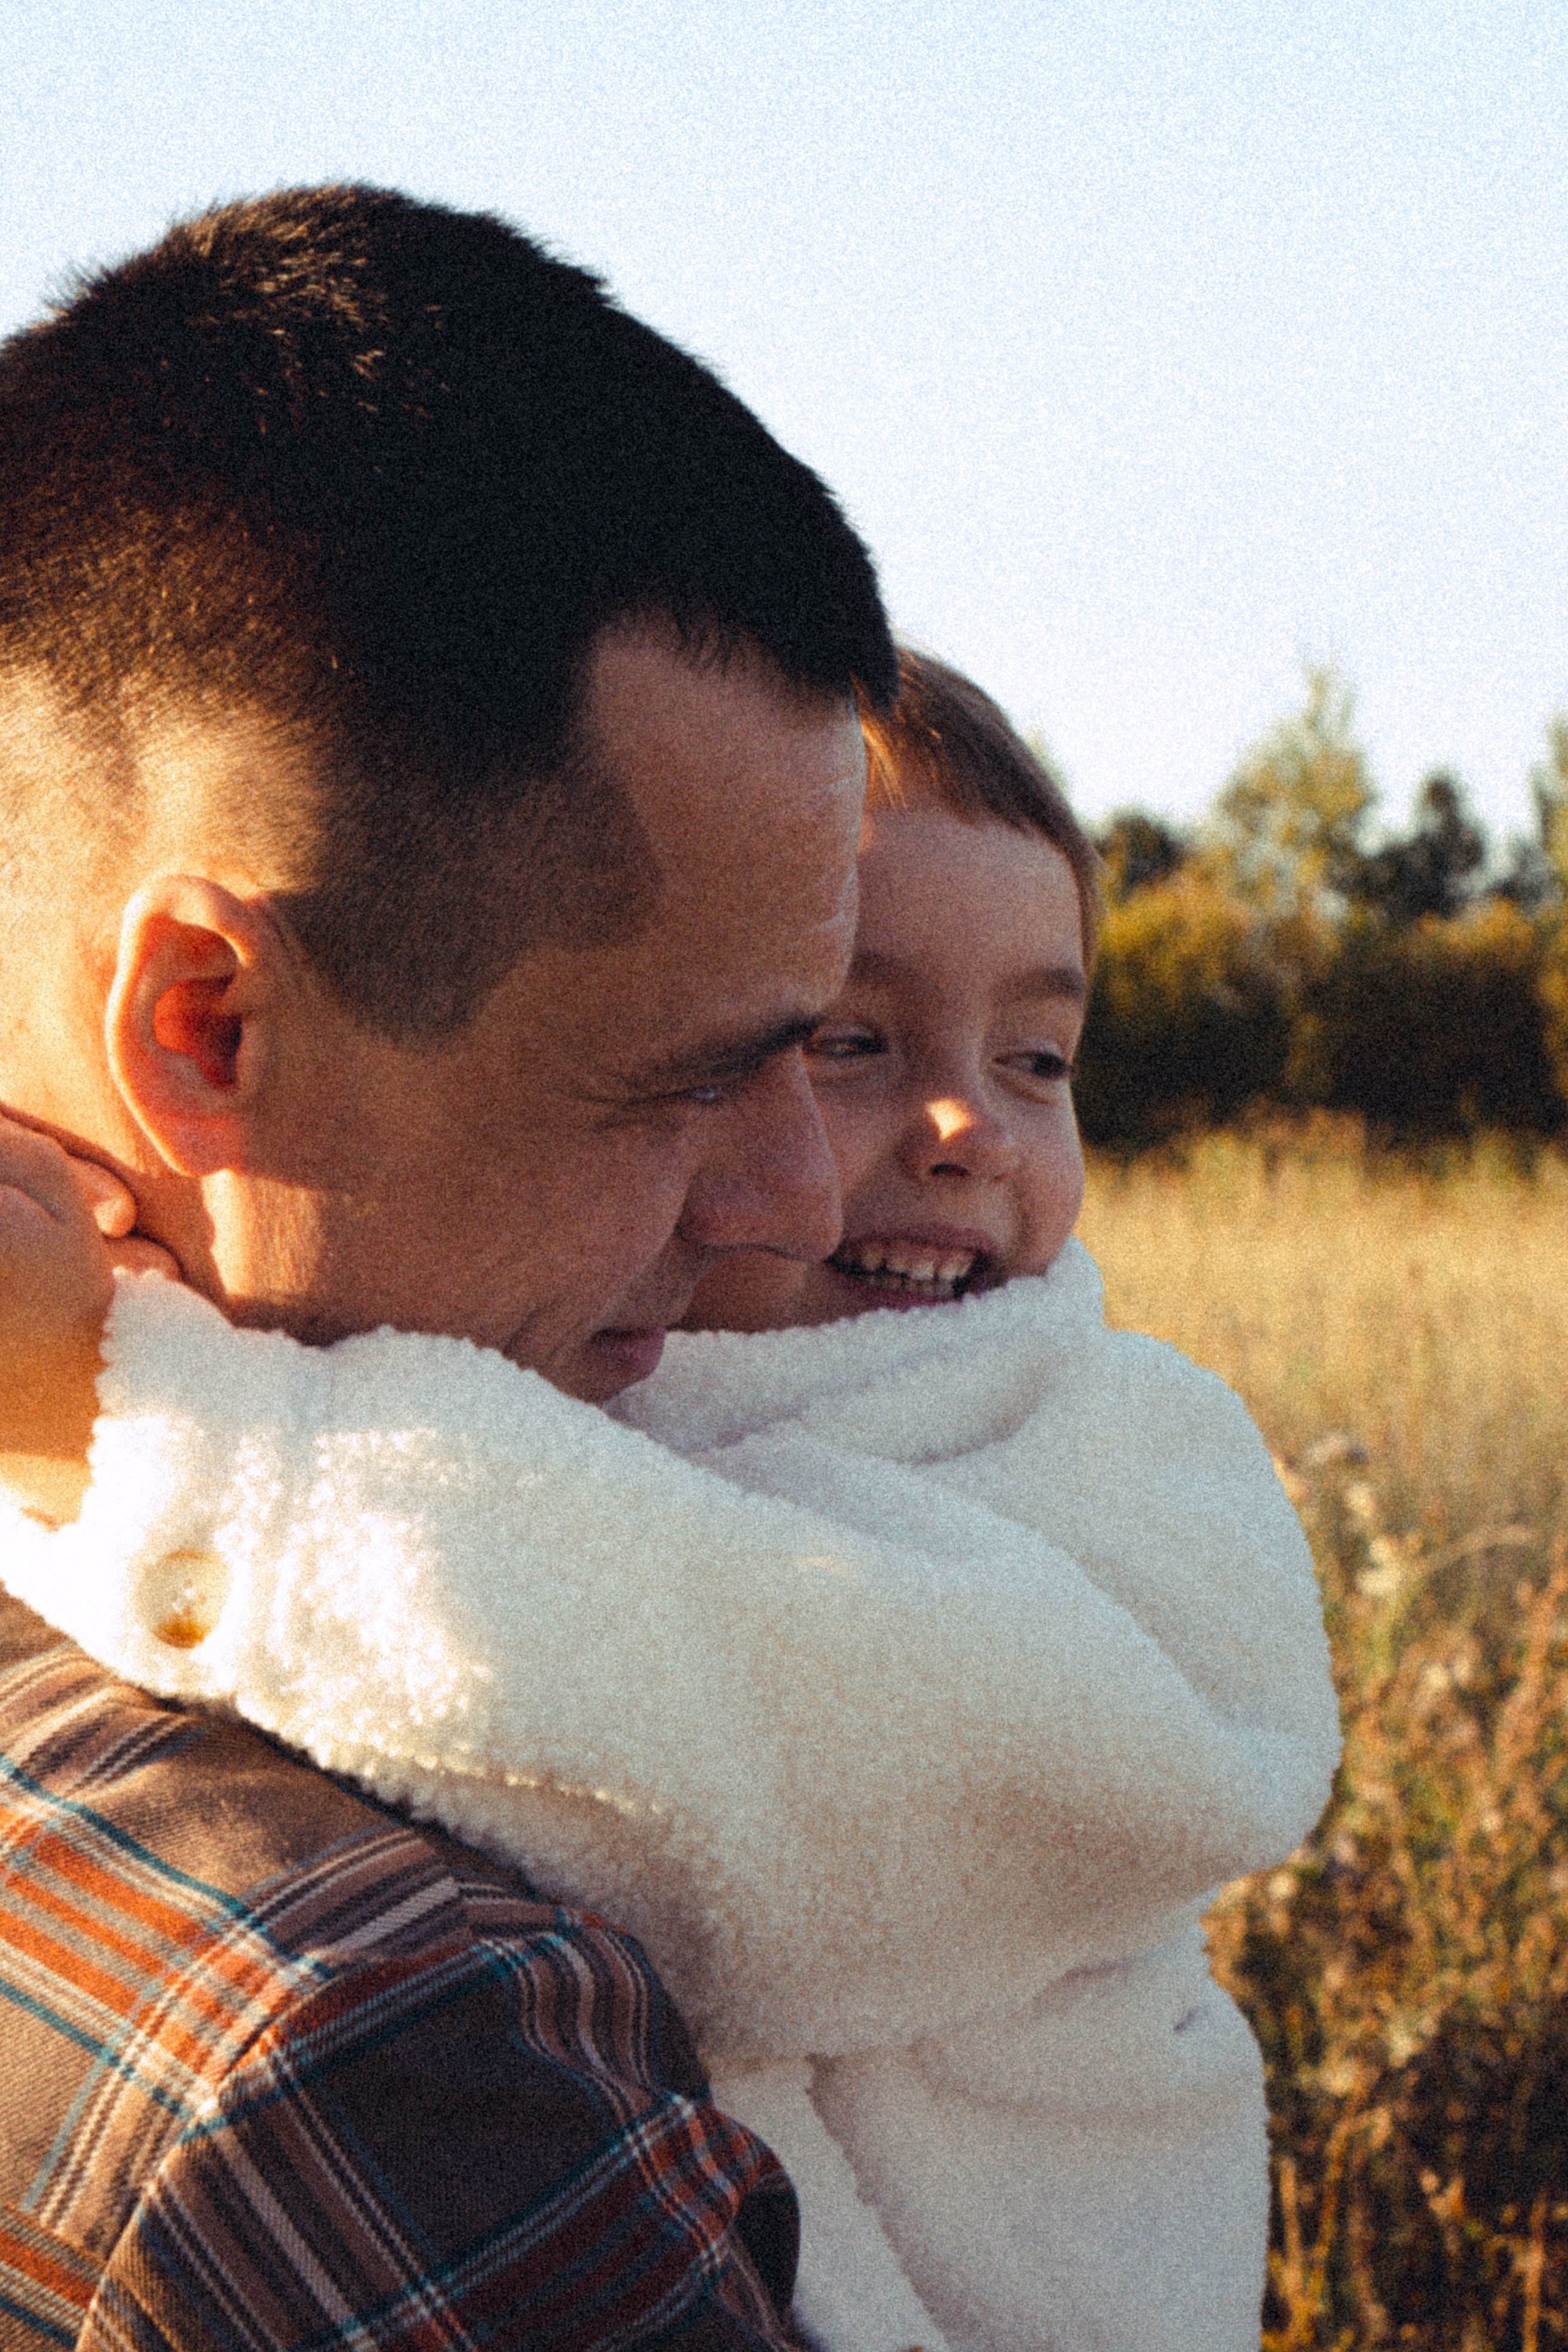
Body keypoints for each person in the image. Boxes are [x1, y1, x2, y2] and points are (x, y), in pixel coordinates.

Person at [2, 652, 1342, 2350]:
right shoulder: (574, 1392)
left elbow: (797, 1736)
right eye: (849, 1038)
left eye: (1041, 1057)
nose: (964, 1125)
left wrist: (128, 1399)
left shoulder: (1121, 1459)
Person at [0, 184, 903, 2348]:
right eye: (688, 1083)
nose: (799, 1200)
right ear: (208, 1023)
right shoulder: (376, 2052)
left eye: (825, 1051)